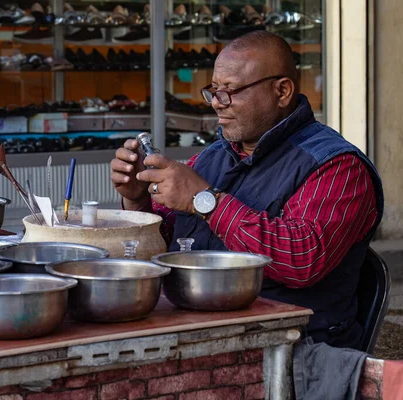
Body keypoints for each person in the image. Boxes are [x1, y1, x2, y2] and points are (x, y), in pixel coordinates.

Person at [110, 30, 383, 349]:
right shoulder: (211, 158)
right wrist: (137, 200)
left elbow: (301, 259)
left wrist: (207, 201)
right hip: (203, 332)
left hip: (293, 348)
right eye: (213, 91)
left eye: (230, 91)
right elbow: (166, 246)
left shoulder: (337, 167)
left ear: (282, 91)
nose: (216, 104)